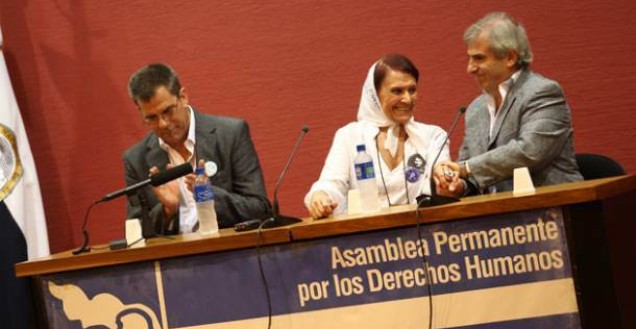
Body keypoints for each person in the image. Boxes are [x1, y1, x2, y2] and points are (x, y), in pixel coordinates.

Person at [434, 12, 583, 197]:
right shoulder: (475, 109)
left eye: (479, 58)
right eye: (470, 58)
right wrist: (456, 185)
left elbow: (528, 152)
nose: (470, 68)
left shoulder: (542, 92)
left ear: (510, 58)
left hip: (554, 211)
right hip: (499, 220)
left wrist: (464, 168)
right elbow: (470, 174)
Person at [123, 63, 270, 234]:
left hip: (234, 252)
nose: (163, 123)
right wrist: (167, 211)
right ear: (139, 111)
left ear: (183, 96)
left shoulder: (230, 135)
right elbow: (136, 233)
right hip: (175, 258)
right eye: (151, 118)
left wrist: (210, 195)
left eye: (168, 111)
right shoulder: (136, 159)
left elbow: (262, 209)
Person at [305, 54, 449, 219]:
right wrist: (320, 197)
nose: (408, 99)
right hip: (368, 241)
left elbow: (440, 185)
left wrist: (446, 184)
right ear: (374, 94)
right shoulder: (349, 136)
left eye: (412, 90)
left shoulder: (433, 136)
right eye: (397, 91)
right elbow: (331, 184)